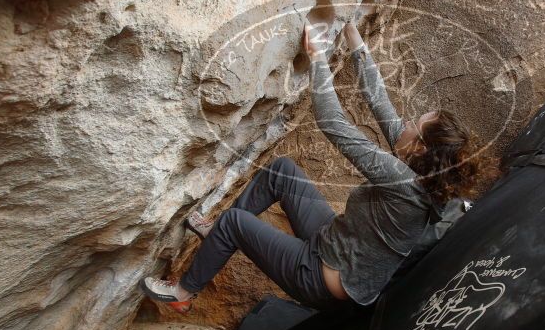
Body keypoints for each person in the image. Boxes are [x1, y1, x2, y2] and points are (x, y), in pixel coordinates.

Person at [140, 21, 478, 312]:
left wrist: (318, 57)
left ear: (419, 145)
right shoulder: (420, 170)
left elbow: (333, 123)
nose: (403, 122)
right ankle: (216, 236)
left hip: (321, 276)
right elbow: (380, 101)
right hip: (334, 242)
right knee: (282, 170)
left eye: (412, 123)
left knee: (235, 222)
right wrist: (352, 35)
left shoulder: (403, 181)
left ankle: (183, 292)